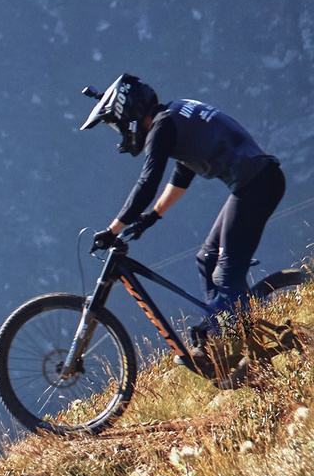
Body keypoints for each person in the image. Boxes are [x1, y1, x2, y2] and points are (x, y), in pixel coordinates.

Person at [82, 73, 287, 326]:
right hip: (258, 181)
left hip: (254, 185)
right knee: (207, 258)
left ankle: (240, 337)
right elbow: (183, 173)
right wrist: (152, 216)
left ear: (128, 114)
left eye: (116, 125)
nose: (120, 132)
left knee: (225, 276)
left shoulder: (162, 126)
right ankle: (227, 329)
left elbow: (147, 184)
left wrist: (112, 230)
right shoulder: (174, 113)